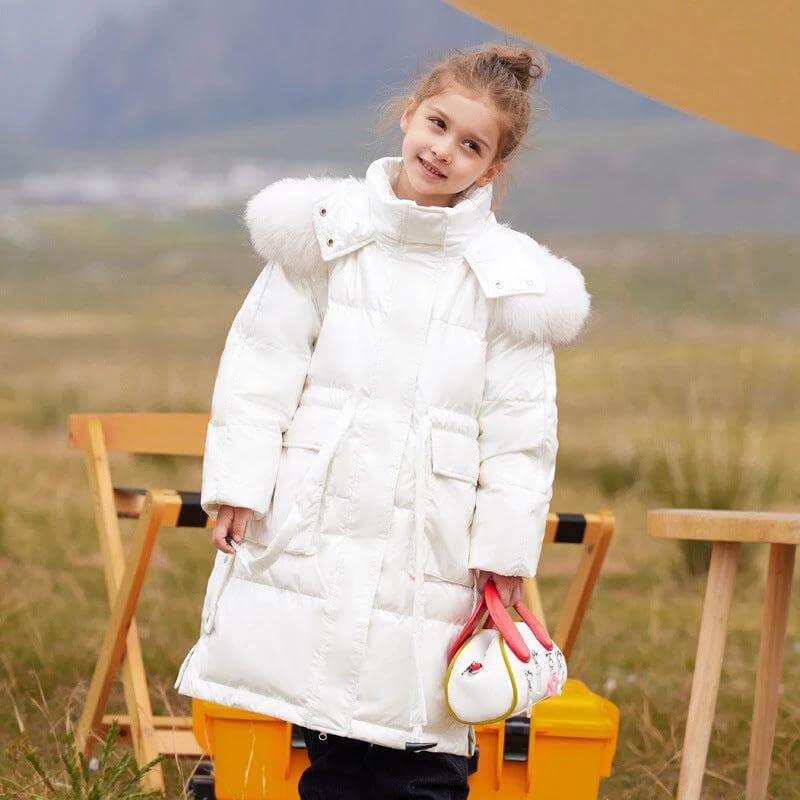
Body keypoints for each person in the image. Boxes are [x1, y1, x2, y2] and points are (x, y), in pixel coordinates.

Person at [174, 42, 591, 799]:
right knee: (332, 740)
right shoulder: (326, 233)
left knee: (422, 751)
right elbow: (261, 367)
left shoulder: (509, 280)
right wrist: (239, 484)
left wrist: (505, 551)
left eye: (472, 146)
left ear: (492, 170)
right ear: (407, 115)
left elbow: (520, 437)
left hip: (435, 543)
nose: (444, 150)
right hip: (320, 514)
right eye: (437, 124)